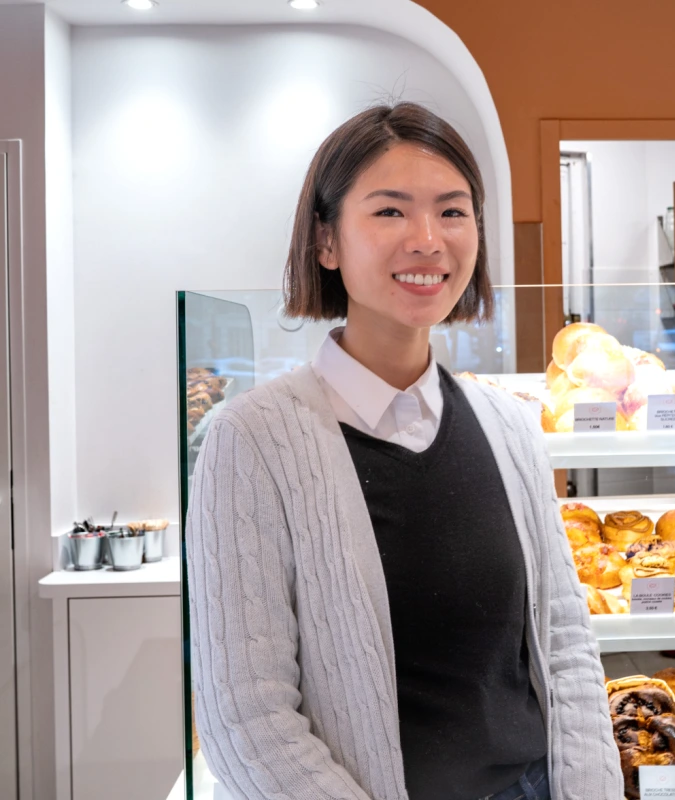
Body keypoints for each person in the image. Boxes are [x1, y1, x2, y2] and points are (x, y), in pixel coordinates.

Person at [186, 102, 622, 800]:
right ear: (326, 241)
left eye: (453, 212)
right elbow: (247, 720)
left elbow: (566, 646)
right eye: (390, 212)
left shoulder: (509, 427)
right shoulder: (253, 442)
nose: (427, 239)